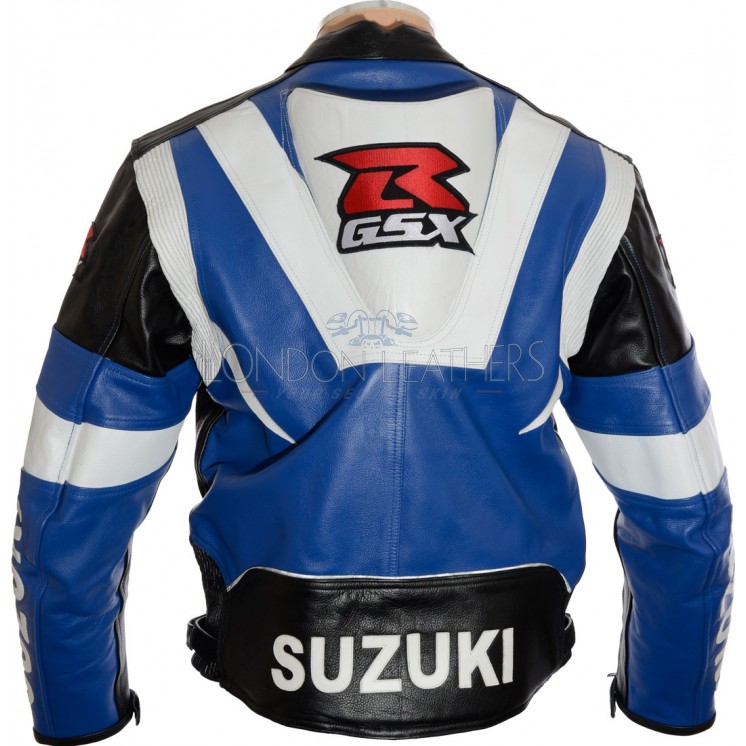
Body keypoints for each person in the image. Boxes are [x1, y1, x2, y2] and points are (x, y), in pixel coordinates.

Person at [12, 1, 733, 743]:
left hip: (270, 669)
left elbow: (70, 501)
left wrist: (80, 714)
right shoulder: (588, 180)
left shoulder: (177, 174)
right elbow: (682, 499)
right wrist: (666, 702)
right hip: (514, 667)